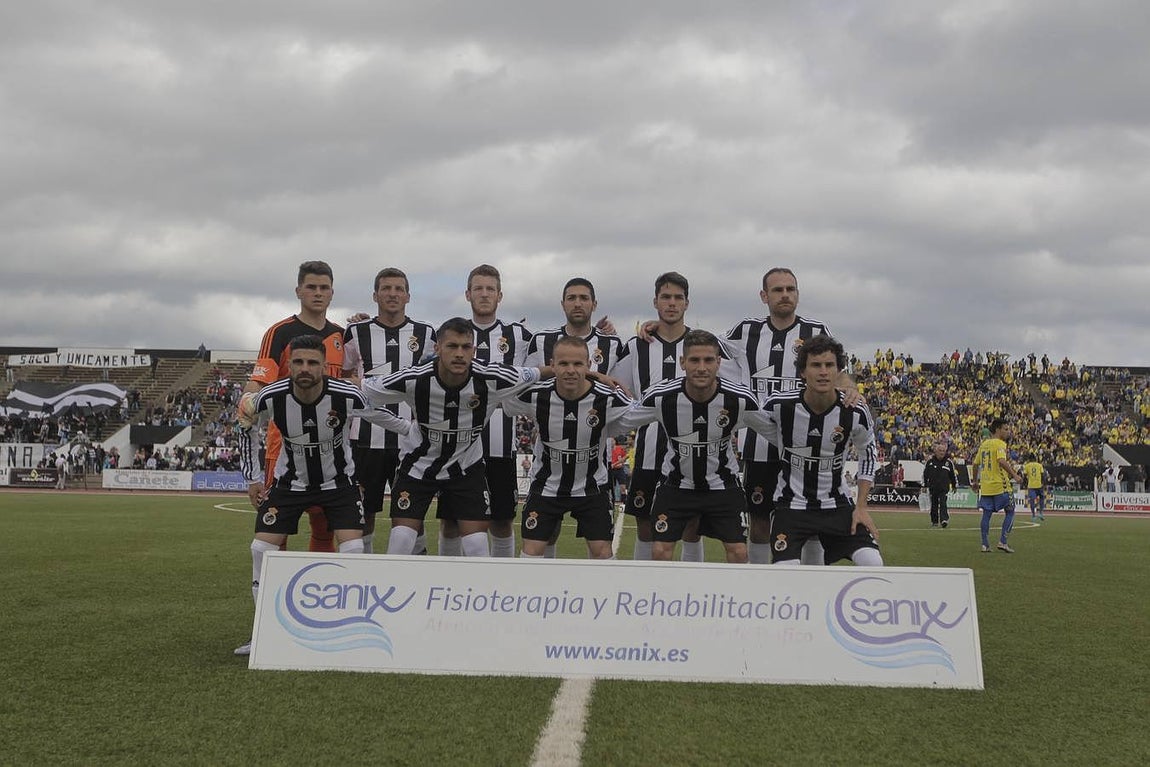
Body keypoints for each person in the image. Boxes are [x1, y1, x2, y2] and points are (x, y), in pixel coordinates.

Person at [362, 317, 560, 558]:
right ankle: (393, 593)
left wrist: (596, 377)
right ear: (437, 349)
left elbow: (544, 371)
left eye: (466, 347)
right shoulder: (414, 378)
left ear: (473, 351)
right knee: (401, 541)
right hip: (418, 466)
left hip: (466, 468)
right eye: (451, 346)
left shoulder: (493, 377)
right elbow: (361, 390)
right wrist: (401, 426)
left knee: (477, 545)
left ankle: (476, 595)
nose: (459, 353)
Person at [233, 335, 377, 657]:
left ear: (325, 367)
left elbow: (379, 417)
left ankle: (349, 628)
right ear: (290, 365)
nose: (305, 369)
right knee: (260, 549)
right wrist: (252, 477)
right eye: (298, 362)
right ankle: (264, 631)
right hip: (289, 483)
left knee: (354, 548)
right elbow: (243, 421)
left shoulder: (346, 393)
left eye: (312, 363)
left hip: (338, 483)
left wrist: (409, 434)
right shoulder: (272, 395)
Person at [723, 267, 858, 565]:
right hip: (759, 443)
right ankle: (760, 591)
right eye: (777, 290)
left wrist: (851, 390)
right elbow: (701, 344)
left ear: (797, 294)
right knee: (759, 521)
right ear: (764, 296)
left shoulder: (816, 330)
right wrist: (658, 326)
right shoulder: (745, 331)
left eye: (790, 289)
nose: (785, 295)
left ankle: (809, 593)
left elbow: (841, 374)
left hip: (804, 446)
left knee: (810, 524)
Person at [620, 330, 770, 564]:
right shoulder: (662, 397)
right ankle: (663, 599)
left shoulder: (739, 400)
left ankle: (733, 600)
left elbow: (775, 432)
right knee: (660, 551)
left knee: (739, 554)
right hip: (676, 485)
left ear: (718, 362)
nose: (702, 367)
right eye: (694, 360)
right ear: (682, 362)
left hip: (723, 486)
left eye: (709, 360)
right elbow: (621, 421)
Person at [243, 260, 345, 553]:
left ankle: (321, 593)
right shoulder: (279, 333)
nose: (317, 293)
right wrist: (246, 405)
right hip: (284, 447)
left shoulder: (342, 335)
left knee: (325, 529)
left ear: (332, 293)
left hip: (331, 451)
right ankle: (275, 595)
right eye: (311, 287)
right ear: (298, 291)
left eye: (324, 287)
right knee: (276, 530)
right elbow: (258, 384)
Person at [502, 336, 636, 559]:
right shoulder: (536, 395)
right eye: (563, 364)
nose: (571, 370)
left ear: (589, 365)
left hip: (592, 487)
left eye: (578, 364)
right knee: (530, 555)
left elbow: (642, 410)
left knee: (603, 553)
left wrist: (602, 380)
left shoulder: (607, 398)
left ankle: (601, 594)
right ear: (552, 365)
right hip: (546, 487)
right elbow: (501, 393)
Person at [758, 335, 882, 566]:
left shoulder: (854, 410)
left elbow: (869, 453)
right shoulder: (779, 404)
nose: (823, 371)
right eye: (816, 365)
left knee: (873, 563)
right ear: (803, 372)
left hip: (838, 506)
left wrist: (862, 507)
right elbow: (747, 414)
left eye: (829, 365)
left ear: (838, 371)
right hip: (790, 505)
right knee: (786, 572)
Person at [342, 267, 436, 554]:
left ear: (408, 295)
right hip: (365, 437)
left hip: (410, 440)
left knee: (410, 511)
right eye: (386, 288)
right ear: (375, 295)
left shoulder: (425, 333)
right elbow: (345, 376)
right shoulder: (356, 332)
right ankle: (366, 574)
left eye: (398, 289)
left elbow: (433, 379)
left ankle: (415, 569)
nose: (392, 294)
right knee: (364, 512)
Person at [615, 271, 708, 561]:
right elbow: (616, 387)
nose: (671, 303)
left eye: (677, 298)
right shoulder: (636, 346)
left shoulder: (702, 346)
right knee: (645, 525)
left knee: (693, 526)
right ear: (655, 302)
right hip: (648, 450)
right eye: (665, 297)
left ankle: (693, 595)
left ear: (687, 303)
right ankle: (643, 594)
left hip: (692, 450)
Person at [465, 265, 535, 558]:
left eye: (490, 289)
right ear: (468, 294)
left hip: (501, 447)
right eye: (478, 288)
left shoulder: (518, 335)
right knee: (456, 523)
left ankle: (500, 585)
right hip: (460, 448)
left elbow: (558, 350)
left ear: (500, 295)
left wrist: (605, 331)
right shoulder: (453, 331)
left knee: (502, 521)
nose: (484, 294)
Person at [972, 418, 1024, 553]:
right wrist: (1015, 475)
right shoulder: (1000, 444)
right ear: (997, 430)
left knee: (986, 514)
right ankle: (1003, 542)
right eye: (1005, 429)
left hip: (986, 486)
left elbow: (975, 464)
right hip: (1001, 485)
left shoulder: (984, 445)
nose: (1008, 432)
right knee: (1010, 511)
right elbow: (1001, 461)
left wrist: (975, 481)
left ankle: (985, 544)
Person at [923, 441, 958, 528]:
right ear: (936, 451)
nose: (942, 452)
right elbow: (925, 474)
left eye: (943, 451)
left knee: (943, 503)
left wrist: (954, 486)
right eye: (940, 451)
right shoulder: (930, 462)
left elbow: (953, 476)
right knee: (934, 505)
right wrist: (924, 485)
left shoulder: (949, 463)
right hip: (933, 487)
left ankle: (944, 520)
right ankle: (934, 522)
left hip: (944, 488)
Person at [1022, 453, 1046, 522]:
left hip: (1031, 486)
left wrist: (1025, 484)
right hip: (1039, 485)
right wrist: (1043, 483)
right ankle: (1041, 512)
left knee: (1032, 500)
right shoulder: (1039, 465)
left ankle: (1033, 515)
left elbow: (1024, 476)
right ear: (1035, 459)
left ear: (1029, 459)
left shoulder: (1027, 466)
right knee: (1042, 498)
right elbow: (1042, 475)